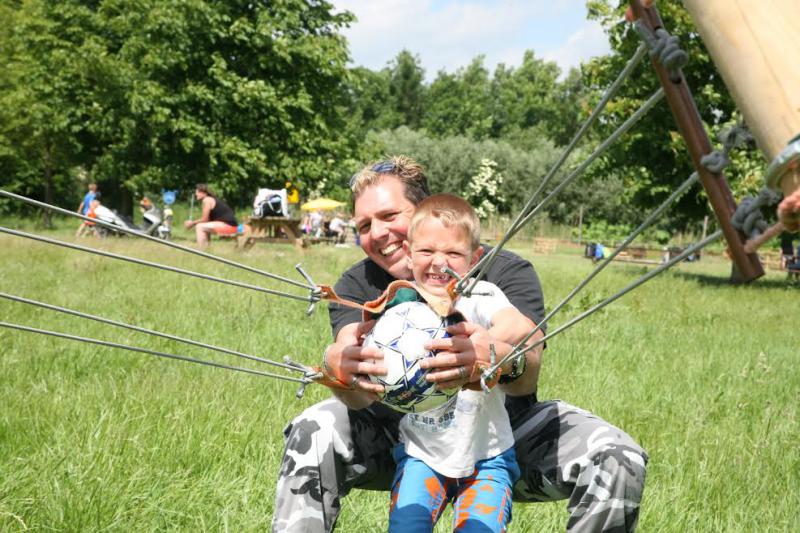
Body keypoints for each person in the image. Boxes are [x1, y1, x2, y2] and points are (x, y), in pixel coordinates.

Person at [273, 156, 647, 533]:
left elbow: (527, 372)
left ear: (426, 211)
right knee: (314, 426)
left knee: (618, 456)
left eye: (389, 216)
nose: (379, 233)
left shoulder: (501, 272)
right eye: (365, 225)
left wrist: (492, 358)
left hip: (499, 437)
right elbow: (356, 389)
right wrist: (338, 367)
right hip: (400, 440)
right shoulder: (357, 284)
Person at [388, 193, 533, 531]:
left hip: (489, 457)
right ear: (408, 254)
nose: (440, 263)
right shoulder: (399, 306)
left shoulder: (481, 295)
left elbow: (520, 326)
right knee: (407, 525)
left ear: (474, 258)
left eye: (453, 253)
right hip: (421, 453)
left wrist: (491, 342)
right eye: (426, 251)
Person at [183, 184, 238, 249]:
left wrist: (192, 223)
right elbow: (207, 220)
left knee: (199, 226)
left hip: (229, 226)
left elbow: (205, 219)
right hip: (232, 225)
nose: (196, 194)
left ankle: (201, 250)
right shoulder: (210, 199)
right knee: (204, 225)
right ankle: (207, 249)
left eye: (197, 192)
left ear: (203, 193)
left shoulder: (207, 200)